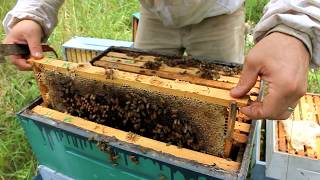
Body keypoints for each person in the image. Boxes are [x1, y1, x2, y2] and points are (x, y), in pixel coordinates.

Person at [2, 0, 320, 120]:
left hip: (218, 14)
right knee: (136, 91)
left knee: (226, 101)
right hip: (156, 14)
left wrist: (294, 26)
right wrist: (33, 13)